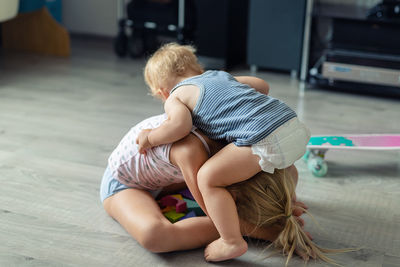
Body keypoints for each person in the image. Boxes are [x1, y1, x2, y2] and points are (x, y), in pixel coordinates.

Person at [136, 43, 311, 261]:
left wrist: (150, 137)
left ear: (162, 92)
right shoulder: (219, 75)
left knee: (208, 178)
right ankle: (290, 202)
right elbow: (262, 86)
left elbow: (179, 126)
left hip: (263, 137)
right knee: (283, 162)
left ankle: (231, 241)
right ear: (197, 68)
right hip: (291, 124)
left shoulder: (175, 96)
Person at [101, 114, 339, 266]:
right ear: (231, 194)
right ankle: (246, 226)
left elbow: (289, 169)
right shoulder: (193, 155)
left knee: (283, 174)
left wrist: (287, 201)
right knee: (156, 235)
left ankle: (246, 217)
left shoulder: (248, 144)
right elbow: (157, 239)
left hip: (172, 171)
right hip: (127, 182)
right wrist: (258, 228)